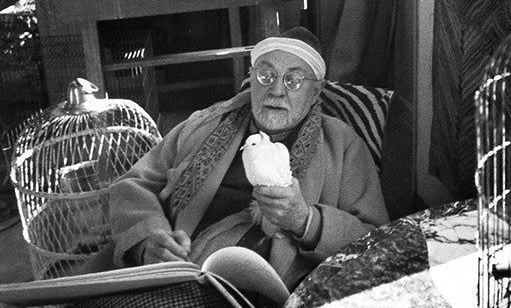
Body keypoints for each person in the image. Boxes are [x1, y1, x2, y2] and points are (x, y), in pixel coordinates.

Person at [108, 26, 390, 291]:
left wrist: (304, 219)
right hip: (173, 269)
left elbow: (377, 242)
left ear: (316, 91)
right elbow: (133, 185)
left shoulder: (342, 144)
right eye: (266, 76)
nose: (277, 91)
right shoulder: (205, 124)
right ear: (251, 77)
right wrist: (149, 240)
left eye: (294, 81)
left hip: (255, 292)